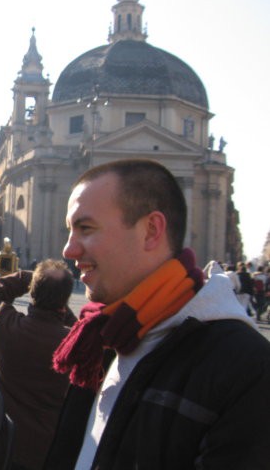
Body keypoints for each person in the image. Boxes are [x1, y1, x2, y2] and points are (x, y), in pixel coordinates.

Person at [46, 159, 270, 469]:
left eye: (85, 228)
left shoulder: (249, 370)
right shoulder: (102, 337)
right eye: (70, 230)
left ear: (151, 230)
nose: (68, 250)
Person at [0, 259, 77, 470]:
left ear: (32, 291)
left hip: (2, 443)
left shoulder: (5, 325)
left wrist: (27, 277)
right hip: (46, 451)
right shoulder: (74, 344)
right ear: (65, 300)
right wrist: (61, 305)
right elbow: (78, 328)